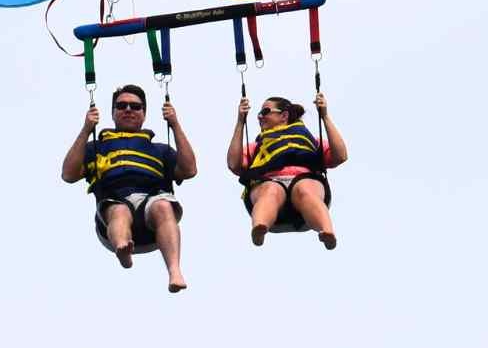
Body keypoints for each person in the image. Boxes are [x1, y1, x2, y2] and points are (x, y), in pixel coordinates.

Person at [61, 84, 198, 292]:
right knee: (120, 210)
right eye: (121, 105)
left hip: (151, 209)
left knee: (162, 206)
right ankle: (122, 247)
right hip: (114, 205)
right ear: (113, 113)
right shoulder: (96, 148)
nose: (128, 109)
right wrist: (86, 129)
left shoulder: (159, 150)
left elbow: (189, 170)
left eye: (135, 106)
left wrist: (175, 124)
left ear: (144, 113)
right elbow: (68, 174)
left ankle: (175, 271)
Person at [227, 90, 347, 249]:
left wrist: (324, 116)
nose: (260, 116)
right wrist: (240, 122)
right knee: (271, 191)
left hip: (305, 179)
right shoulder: (256, 147)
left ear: (284, 116)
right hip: (269, 181)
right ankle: (260, 227)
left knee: (305, 190)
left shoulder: (312, 141)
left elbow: (341, 156)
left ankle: (326, 231)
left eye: (265, 111)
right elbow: (233, 164)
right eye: (259, 113)